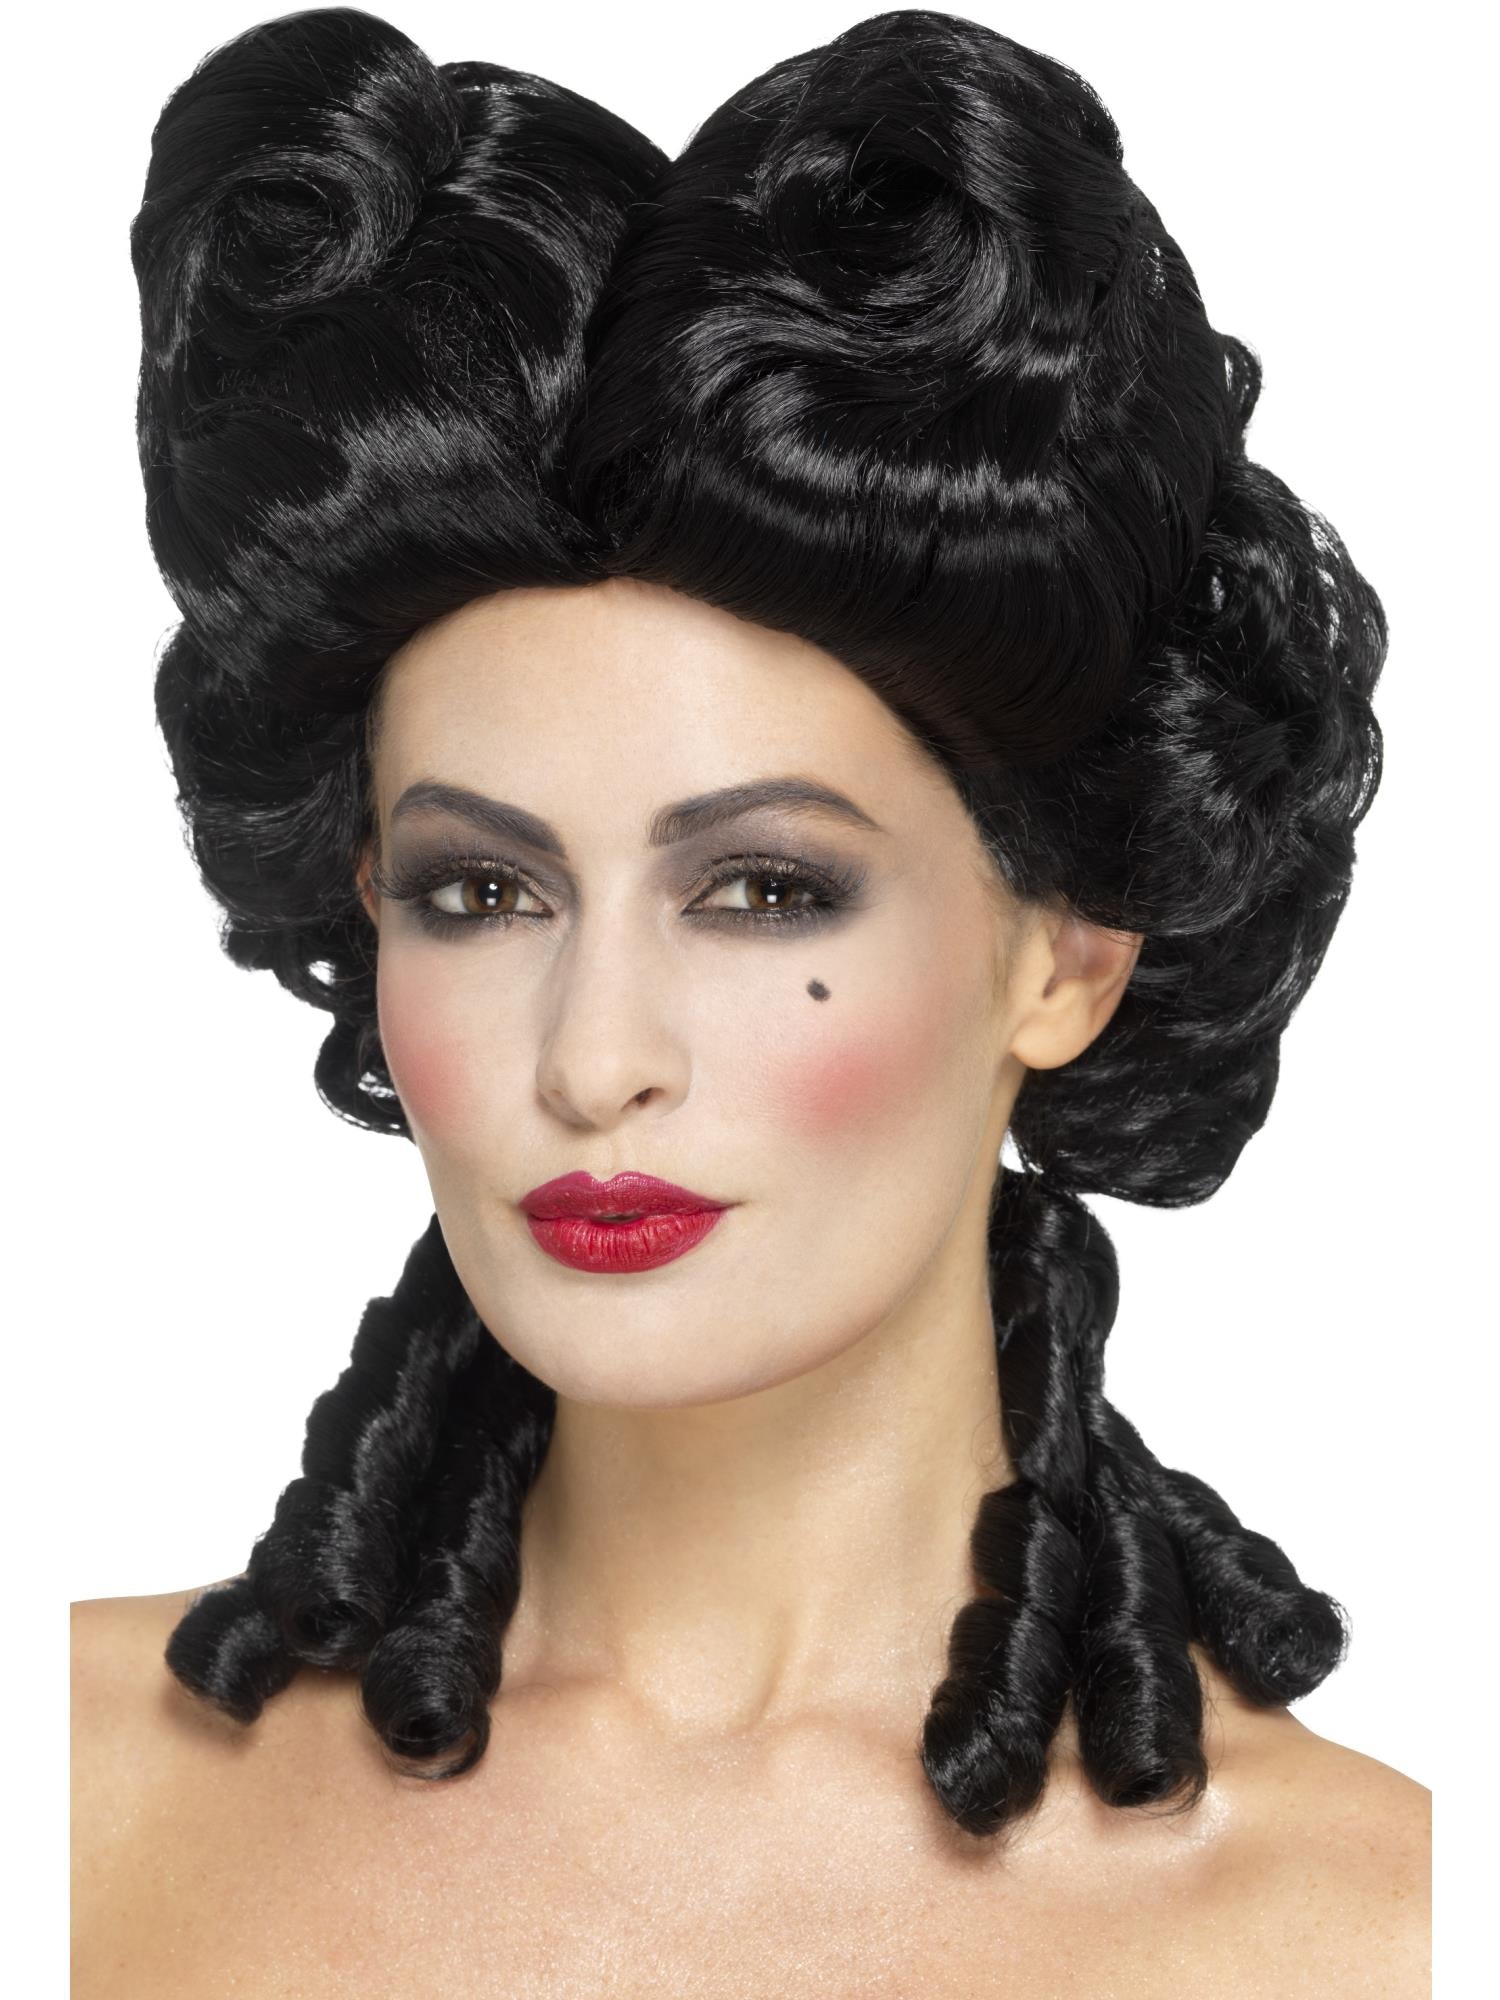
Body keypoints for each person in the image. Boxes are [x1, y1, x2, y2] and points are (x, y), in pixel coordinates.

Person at [72, 7, 1429, 1993]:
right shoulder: (76, 1801)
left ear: (1067, 949)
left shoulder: (1375, 1935)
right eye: (481, 891)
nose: (592, 1057)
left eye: (763, 889)